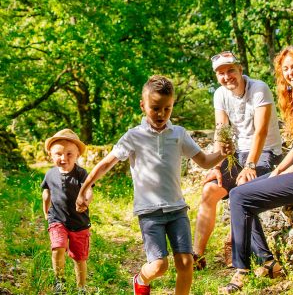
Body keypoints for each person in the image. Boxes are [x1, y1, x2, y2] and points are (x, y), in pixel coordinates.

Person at [75, 75, 233, 295]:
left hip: (177, 209)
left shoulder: (178, 134)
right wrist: (85, 188)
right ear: (143, 105)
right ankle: (141, 279)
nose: (161, 114)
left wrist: (221, 154)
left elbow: (205, 161)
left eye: (167, 109)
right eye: (155, 108)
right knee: (159, 266)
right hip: (149, 213)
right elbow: (106, 163)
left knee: (186, 263)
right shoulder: (134, 137)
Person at [219, 45, 293, 293]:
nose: (291, 73)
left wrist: (286, 173)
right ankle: (268, 263)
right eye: (285, 69)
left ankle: (241, 272)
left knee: (240, 196)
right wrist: (276, 172)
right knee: (240, 192)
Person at [193, 51, 282, 270]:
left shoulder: (259, 88)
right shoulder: (220, 94)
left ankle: (242, 250)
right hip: (238, 154)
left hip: (265, 152)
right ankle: (196, 256)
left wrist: (250, 165)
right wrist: (216, 166)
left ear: (240, 70)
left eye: (230, 70)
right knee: (210, 190)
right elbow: (221, 132)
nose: (226, 77)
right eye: (221, 73)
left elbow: (260, 132)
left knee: (241, 189)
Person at [41, 128, 93, 295]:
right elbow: (46, 194)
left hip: (80, 222)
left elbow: (89, 190)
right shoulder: (49, 175)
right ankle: (60, 282)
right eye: (58, 154)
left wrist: (86, 200)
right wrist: (46, 214)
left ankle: (81, 288)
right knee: (58, 248)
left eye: (69, 154)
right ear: (51, 155)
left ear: (77, 154)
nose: (63, 158)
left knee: (79, 258)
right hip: (57, 219)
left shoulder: (80, 173)